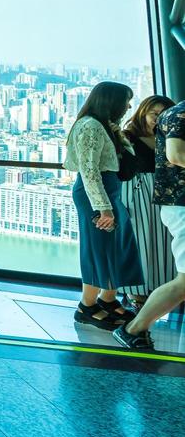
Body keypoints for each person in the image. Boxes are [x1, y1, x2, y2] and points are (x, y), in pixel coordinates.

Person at [64, 81, 145, 329]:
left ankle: (106, 300)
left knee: (116, 247)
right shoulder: (90, 126)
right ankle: (86, 307)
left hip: (108, 189)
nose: (128, 106)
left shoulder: (103, 126)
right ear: (111, 101)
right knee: (98, 248)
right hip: (96, 193)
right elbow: (89, 171)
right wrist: (103, 207)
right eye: (125, 101)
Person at [117, 98, 185, 350]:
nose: (156, 117)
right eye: (151, 113)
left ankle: (135, 327)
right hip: (174, 203)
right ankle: (133, 326)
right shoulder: (179, 115)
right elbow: (176, 154)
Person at [119, 95, 176, 301]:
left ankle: (158, 292)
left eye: (164, 114)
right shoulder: (127, 136)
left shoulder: (171, 137)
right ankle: (136, 294)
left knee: (162, 242)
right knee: (140, 241)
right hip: (137, 192)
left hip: (165, 195)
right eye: (154, 113)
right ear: (143, 112)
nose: (158, 118)